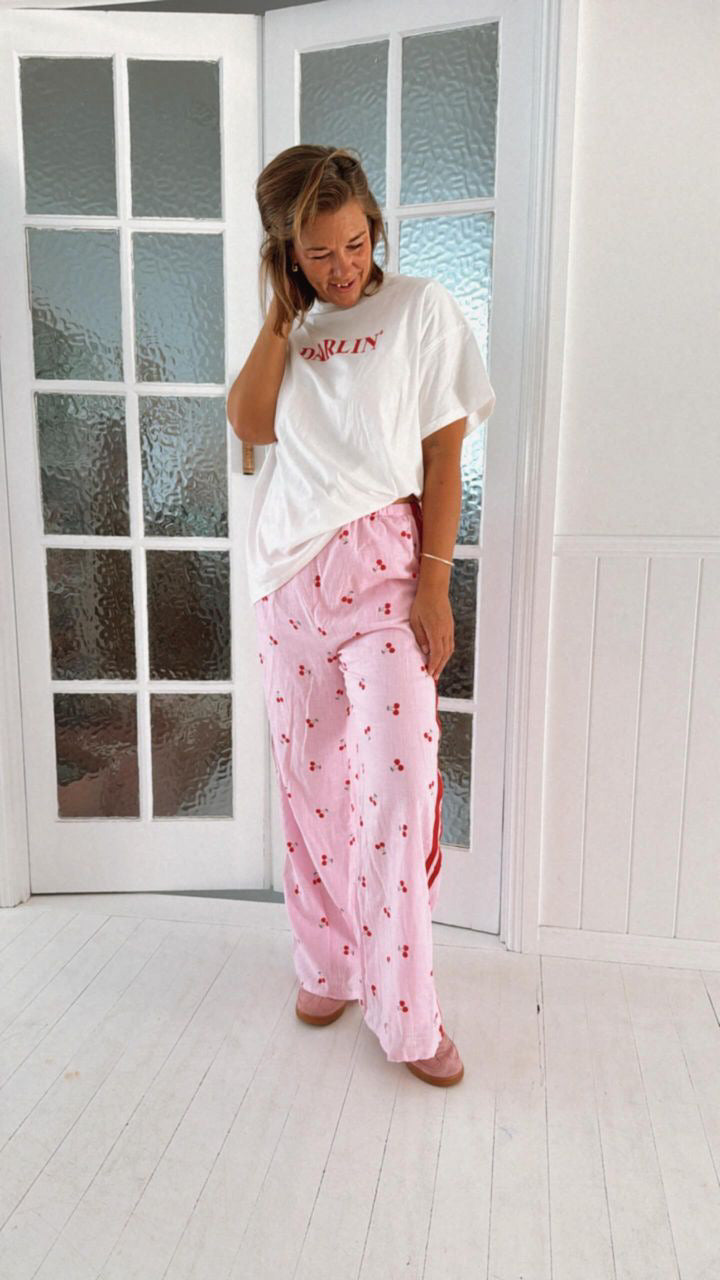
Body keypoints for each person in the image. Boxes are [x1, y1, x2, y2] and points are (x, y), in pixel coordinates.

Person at [227, 145, 496, 1087]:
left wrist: (437, 583)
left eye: (354, 243)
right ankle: (329, 963)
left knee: (397, 789)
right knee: (310, 791)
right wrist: (279, 314)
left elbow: (444, 459)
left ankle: (407, 1013)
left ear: (374, 228)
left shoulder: (420, 309)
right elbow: (250, 424)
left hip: (386, 573)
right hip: (289, 578)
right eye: (318, 253)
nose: (343, 267)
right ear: (286, 253)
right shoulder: (291, 328)